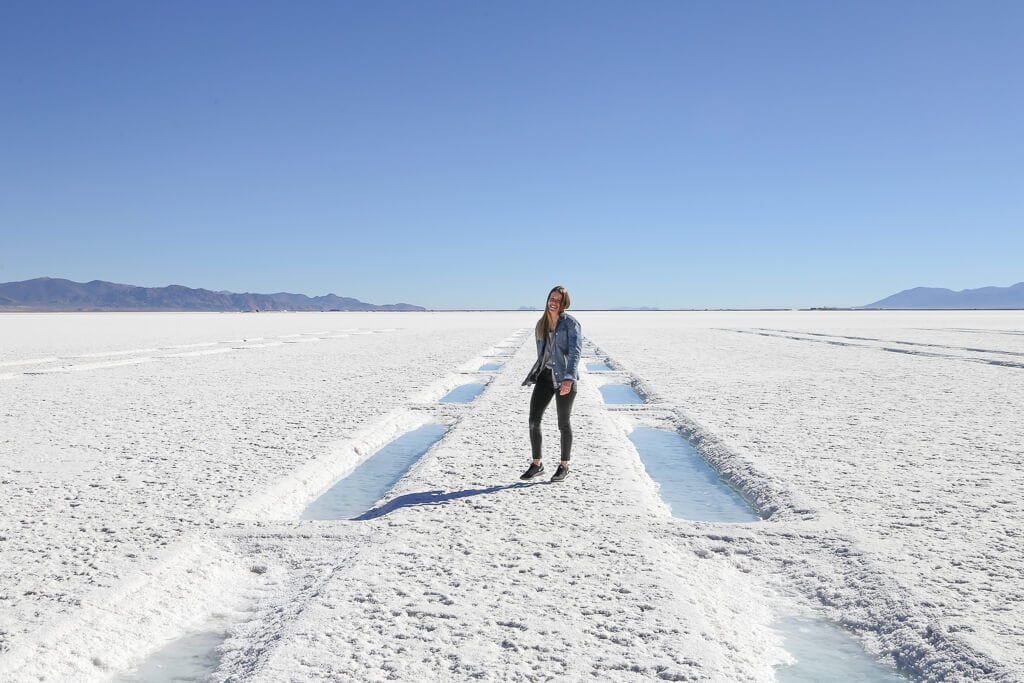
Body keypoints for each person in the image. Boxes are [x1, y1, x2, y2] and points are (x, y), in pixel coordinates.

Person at [521, 285, 582, 482]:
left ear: (564, 303)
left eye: (557, 300)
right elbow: (543, 354)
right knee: (533, 420)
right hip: (545, 378)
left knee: (563, 423)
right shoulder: (542, 324)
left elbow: (575, 353)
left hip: (564, 379)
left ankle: (564, 466)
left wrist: (568, 378)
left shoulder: (571, 324)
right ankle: (537, 464)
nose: (553, 303)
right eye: (551, 299)